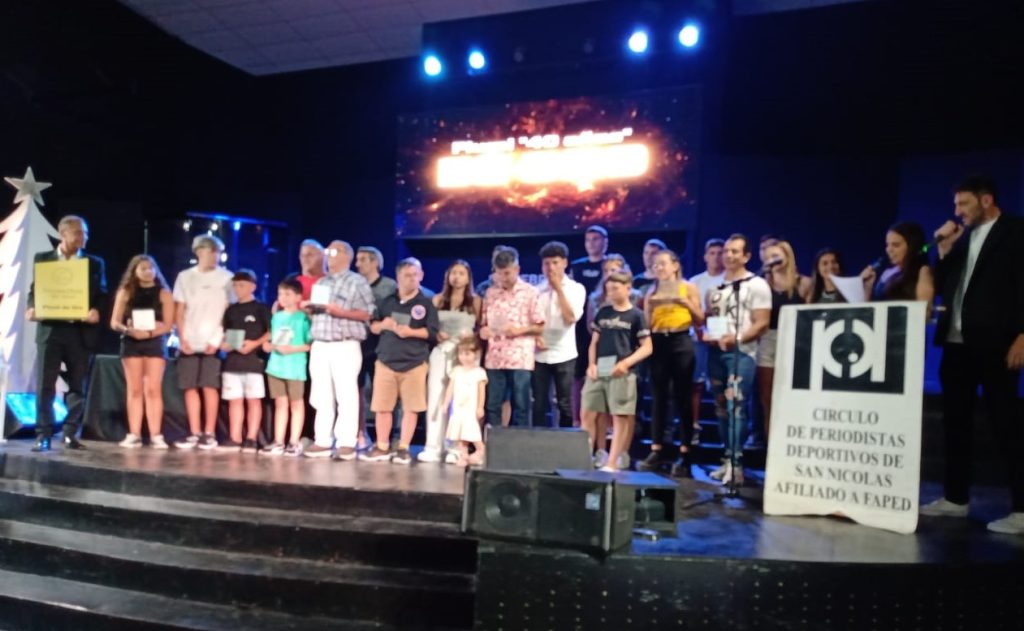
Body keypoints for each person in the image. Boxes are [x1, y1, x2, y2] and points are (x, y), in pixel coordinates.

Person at [921, 175, 1024, 535]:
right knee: (955, 421)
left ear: (986, 200)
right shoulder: (963, 238)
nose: (957, 211)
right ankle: (955, 498)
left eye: (963, 204)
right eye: (955, 204)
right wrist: (945, 250)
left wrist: (1022, 335)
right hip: (956, 341)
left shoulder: (1015, 231)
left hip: (997, 342)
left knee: (1005, 423)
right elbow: (946, 284)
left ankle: (1022, 508)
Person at [26, 215, 107, 452]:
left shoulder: (94, 263)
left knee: (77, 385)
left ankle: (71, 433)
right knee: (45, 385)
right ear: (63, 234)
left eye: (86, 233)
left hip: (79, 332)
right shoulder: (43, 259)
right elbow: (36, 289)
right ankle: (43, 434)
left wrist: (96, 310)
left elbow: (102, 294)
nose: (84, 237)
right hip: (50, 330)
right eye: (79, 233)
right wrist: (32, 307)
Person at [702, 234, 772, 485]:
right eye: (726, 251)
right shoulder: (715, 288)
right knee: (721, 407)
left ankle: (738, 463)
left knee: (737, 406)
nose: (729, 256)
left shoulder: (757, 285)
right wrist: (709, 334)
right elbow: (710, 319)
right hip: (716, 352)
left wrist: (738, 337)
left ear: (746, 256)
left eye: (735, 251)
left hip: (742, 353)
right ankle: (727, 457)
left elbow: (762, 323)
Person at [361, 258, 439, 464]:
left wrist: (410, 332)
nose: (412, 279)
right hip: (386, 361)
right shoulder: (388, 301)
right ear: (398, 277)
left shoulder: (426, 303)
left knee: (411, 408)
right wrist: (383, 325)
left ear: (421, 276)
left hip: (414, 363)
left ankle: (404, 447)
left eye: (415, 275)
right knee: (382, 406)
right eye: (407, 275)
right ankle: (382, 446)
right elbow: (373, 326)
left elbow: (432, 333)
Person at [304, 241, 374, 459]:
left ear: (347, 256)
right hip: (320, 343)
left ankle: (346, 442)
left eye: (333, 251)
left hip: (344, 343)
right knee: (321, 395)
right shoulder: (322, 282)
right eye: (327, 252)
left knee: (346, 394)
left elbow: (367, 313)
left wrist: (340, 312)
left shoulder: (357, 281)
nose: (329, 255)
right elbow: (319, 311)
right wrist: (309, 310)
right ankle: (322, 440)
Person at [637, 250, 704, 477]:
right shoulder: (651, 290)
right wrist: (650, 306)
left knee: (682, 397)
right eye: (656, 265)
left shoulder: (688, 287)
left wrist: (684, 302)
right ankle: (657, 449)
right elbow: (647, 323)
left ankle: (685, 451)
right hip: (658, 342)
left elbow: (700, 319)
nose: (659, 268)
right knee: (659, 397)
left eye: (663, 264)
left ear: (675, 265)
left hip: (681, 340)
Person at [581, 270, 652, 472]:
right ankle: (584, 458)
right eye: (608, 289)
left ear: (628, 288)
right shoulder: (603, 312)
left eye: (615, 288)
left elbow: (647, 347)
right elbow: (594, 342)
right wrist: (591, 364)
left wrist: (626, 363)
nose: (611, 292)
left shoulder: (636, 315)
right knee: (587, 413)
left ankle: (613, 462)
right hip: (599, 370)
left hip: (622, 373)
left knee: (619, 416)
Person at [172, 235, 234, 451]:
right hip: (190, 339)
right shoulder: (184, 277)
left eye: (218, 252)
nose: (216, 256)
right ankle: (194, 432)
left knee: (209, 386)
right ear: (199, 251)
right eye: (212, 251)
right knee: (190, 387)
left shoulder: (227, 278)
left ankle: (209, 433)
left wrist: (217, 339)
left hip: (213, 341)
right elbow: (179, 310)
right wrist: (182, 338)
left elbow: (229, 312)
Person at [109, 255, 174, 449]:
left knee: (153, 389)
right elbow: (114, 322)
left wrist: (149, 333)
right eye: (143, 268)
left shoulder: (164, 293)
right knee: (134, 389)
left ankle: (156, 435)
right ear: (134, 272)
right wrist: (129, 330)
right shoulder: (126, 292)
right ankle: (134, 434)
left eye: (151, 268)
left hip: (155, 343)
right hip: (131, 342)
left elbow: (169, 325)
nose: (148, 271)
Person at [420, 259, 480, 464]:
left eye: (461, 273)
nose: (457, 277)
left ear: (468, 278)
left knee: (461, 401)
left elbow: (481, 329)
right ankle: (433, 446)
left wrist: (471, 337)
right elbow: (430, 328)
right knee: (436, 397)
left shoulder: (475, 301)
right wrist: (436, 335)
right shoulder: (437, 299)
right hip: (441, 351)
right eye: (454, 272)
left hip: (464, 355)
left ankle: (455, 447)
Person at [756, 240, 812, 443]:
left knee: (793, 396)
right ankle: (770, 444)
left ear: (787, 257)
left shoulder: (804, 283)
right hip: (768, 340)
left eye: (776, 256)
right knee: (768, 397)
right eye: (768, 258)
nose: (772, 261)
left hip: (795, 340)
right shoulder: (762, 284)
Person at [480, 246, 541, 428]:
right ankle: (493, 441)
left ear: (517, 269)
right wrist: (484, 331)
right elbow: (484, 323)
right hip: (495, 358)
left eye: (507, 273)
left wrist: (518, 330)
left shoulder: (530, 292)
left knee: (521, 405)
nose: (503, 278)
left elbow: (540, 327)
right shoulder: (491, 293)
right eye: (499, 274)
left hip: (519, 358)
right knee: (493, 405)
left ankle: (520, 443)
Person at [532, 241, 586, 428]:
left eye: (555, 263)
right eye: (546, 263)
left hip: (565, 353)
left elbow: (571, 317)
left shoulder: (576, 288)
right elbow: (532, 320)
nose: (551, 268)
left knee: (564, 402)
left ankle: (565, 439)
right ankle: (537, 438)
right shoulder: (536, 290)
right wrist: (536, 337)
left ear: (564, 263)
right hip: (539, 353)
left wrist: (558, 289)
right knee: (539, 402)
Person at [219, 269, 271, 453]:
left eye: (241, 285)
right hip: (233, 362)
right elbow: (224, 333)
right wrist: (225, 345)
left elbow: (271, 332)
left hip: (253, 362)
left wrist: (254, 344)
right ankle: (235, 437)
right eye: (235, 285)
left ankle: (251, 438)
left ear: (252, 286)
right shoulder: (231, 310)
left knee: (253, 400)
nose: (238, 289)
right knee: (235, 400)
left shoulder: (261, 308)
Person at [262, 276, 312, 456]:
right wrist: (269, 346)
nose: (283, 297)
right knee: (280, 404)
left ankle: (294, 441)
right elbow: (274, 339)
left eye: (288, 294)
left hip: (295, 367)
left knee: (296, 404)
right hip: (276, 366)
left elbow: (309, 344)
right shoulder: (276, 317)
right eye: (280, 294)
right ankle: (278, 441)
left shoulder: (303, 318)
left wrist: (292, 349)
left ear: (298, 297)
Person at [356, 245, 398, 450]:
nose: (358, 264)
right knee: (356, 390)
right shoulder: (354, 283)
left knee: (384, 393)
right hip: (358, 344)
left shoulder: (389, 286)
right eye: (357, 260)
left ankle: (388, 437)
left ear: (375, 263)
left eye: (363, 260)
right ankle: (360, 432)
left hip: (381, 346)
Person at [570, 225, 609, 426]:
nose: (592, 243)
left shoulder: (610, 265)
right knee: (578, 373)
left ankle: (604, 420)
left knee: (604, 372)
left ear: (605, 242)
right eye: (588, 240)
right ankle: (577, 419)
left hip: (606, 329)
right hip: (578, 328)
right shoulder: (577, 267)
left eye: (596, 239)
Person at [688, 238, 725, 445]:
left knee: (723, 387)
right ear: (705, 256)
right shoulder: (695, 282)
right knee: (696, 384)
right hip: (698, 338)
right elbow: (692, 312)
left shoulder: (731, 280)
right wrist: (701, 332)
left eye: (720, 253)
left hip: (724, 339)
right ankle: (693, 426)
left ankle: (725, 431)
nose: (716, 257)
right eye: (712, 253)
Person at [860, 222, 935, 308]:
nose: (889, 250)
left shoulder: (923, 272)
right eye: (887, 245)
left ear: (912, 246)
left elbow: (924, 309)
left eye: (896, 245)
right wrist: (867, 288)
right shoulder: (886, 273)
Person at [444, 337, 488, 467]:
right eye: (461, 353)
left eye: (467, 354)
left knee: (472, 433)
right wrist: (446, 403)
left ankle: (482, 451)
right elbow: (450, 389)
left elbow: (481, 391)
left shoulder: (479, 372)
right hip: (459, 408)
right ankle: (463, 456)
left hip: (470, 408)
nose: (464, 357)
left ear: (476, 354)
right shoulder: (456, 371)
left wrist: (480, 407)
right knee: (461, 434)